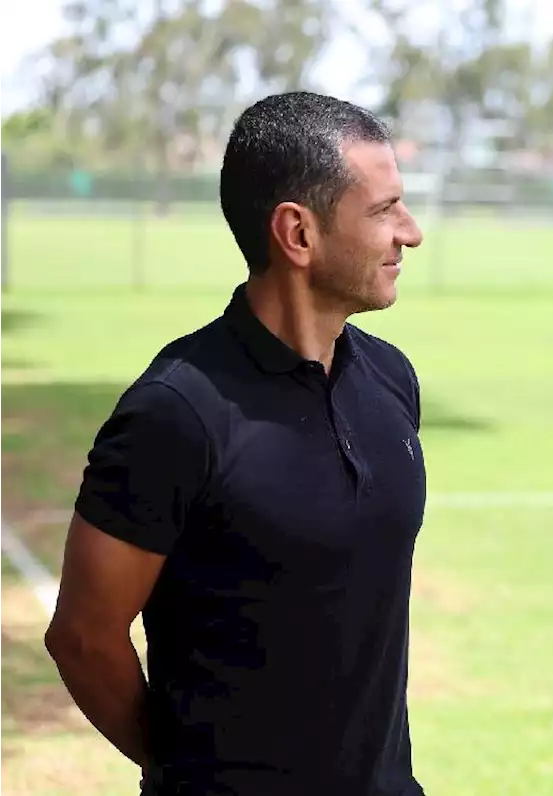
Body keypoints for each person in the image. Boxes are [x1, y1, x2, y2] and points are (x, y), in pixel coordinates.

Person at [44, 91, 426, 796]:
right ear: (297, 234)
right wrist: (184, 768)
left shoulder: (392, 382)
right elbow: (83, 636)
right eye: (383, 210)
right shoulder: (177, 414)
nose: (411, 231)